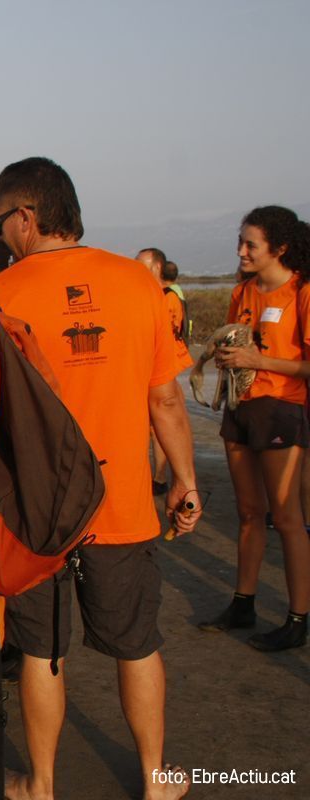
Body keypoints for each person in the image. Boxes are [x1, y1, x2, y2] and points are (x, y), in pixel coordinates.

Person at [0, 157, 200, 800]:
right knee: (137, 645)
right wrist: (185, 482)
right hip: (123, 506)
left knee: (42, 653)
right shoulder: (139, 283)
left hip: (38, 512)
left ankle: (42, 782)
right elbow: (165, 401)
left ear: (25, 217)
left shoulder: (2, 296)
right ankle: (157, 779)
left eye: (1, 222)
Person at [197, 206, 310, 652]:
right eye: (240, 243)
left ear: (279, 249)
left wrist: (259, 361)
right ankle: (243, 602)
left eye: (251, 245)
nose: (241, 251)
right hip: (240, 406)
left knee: (286, 518)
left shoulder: (301, 291)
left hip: (282, 408)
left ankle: (297, 617)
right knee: (248, 513)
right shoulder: (243, 292)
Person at [137, 247, 194, 495]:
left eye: (142, 264)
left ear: (156, 267)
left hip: (165, 364)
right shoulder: (151, 294)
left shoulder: (167, 297)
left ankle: (161, 476)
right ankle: (159, 475)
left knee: (165, 415)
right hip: (156, 363)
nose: (137, 269)